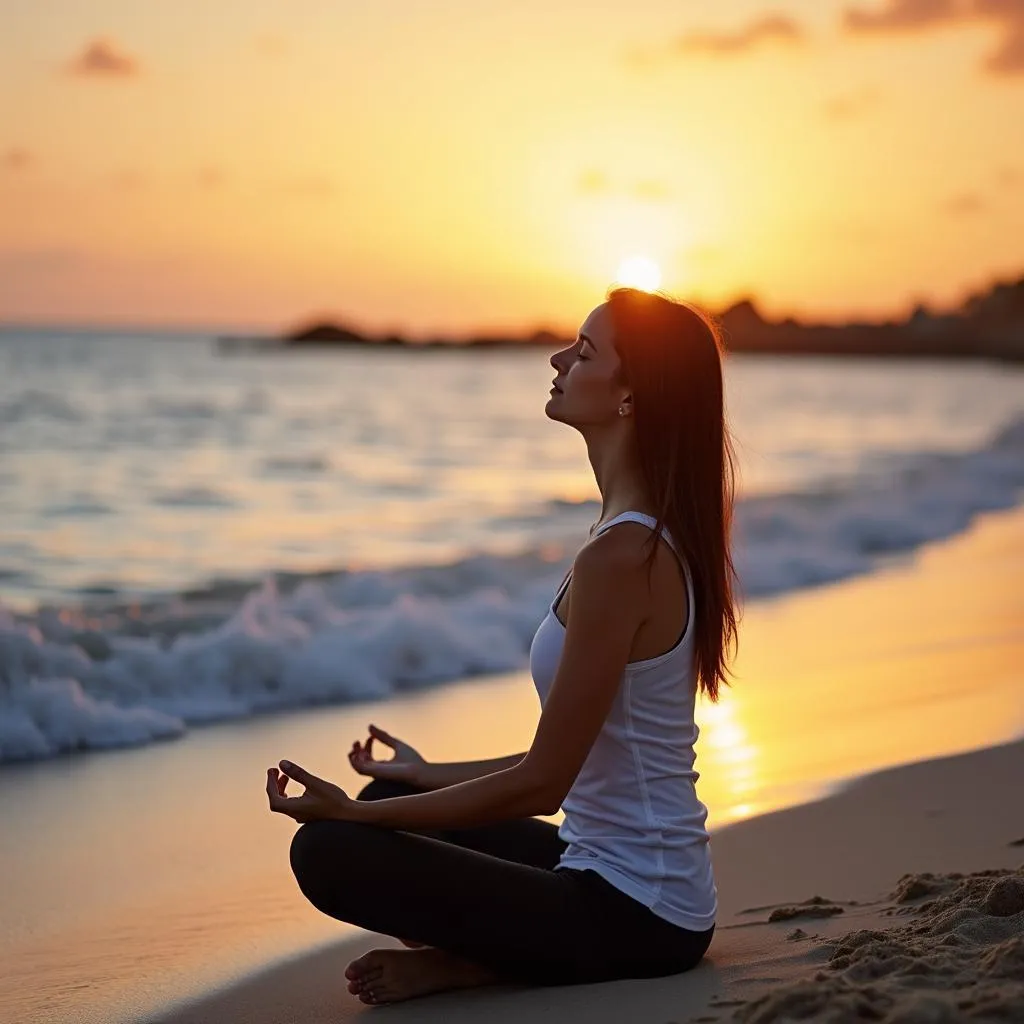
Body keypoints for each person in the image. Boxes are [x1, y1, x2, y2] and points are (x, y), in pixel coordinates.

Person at [265, 286, 740, 1006]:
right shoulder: (630, 537)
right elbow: (566, 763)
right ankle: (487, 953)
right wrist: (424, 775)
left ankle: (476, 964)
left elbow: (544, 785)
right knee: (389, 789)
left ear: (629, 397)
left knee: (330, 849)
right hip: (603, 872)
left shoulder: (621, 561)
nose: (556, 359)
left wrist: (355, 819)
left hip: (641, 917)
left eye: (583, 352)